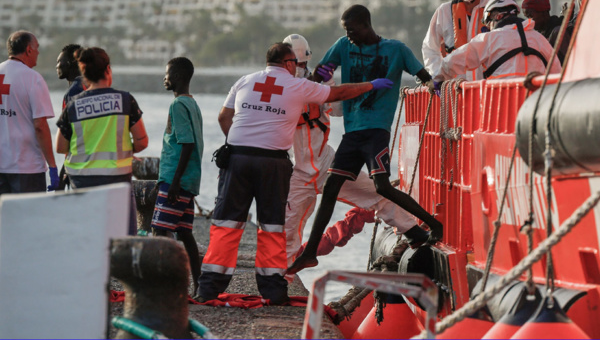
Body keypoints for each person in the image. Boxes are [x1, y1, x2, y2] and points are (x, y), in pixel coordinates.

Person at [195, 42, 393, 305]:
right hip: (272, 164)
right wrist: (371, 85)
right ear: (289, 64)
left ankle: (208, 289)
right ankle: (273, 290)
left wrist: (242, 143)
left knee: (227, 225)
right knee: (273, 227)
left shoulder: (245, 80)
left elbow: (224, 117)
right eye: (297, 64)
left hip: (237, 159)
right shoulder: (296, 85)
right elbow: (337, 94)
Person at [286, 5, 442, 276]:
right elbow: (316, 84)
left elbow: (423, 76)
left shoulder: (396, 49)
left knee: (380, 188)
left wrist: (433, 87)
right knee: (315, 203)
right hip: (333, 148)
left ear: (365, 25)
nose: (348, 36)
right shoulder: (336, 52)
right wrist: (318, 79)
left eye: (351, 29)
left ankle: (427, 227)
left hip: (361, 139)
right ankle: (301, 259)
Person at [55, 47, 149, 234]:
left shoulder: (73, 105)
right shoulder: (125, 100)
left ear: (84, 73)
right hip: (117, 180)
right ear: (108, 70)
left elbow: (60, 147)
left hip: (81, 182)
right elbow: (142, 141)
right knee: (121, 237)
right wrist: (125, 148)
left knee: (86, 237)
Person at [151, 57, 203, 294]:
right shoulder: (193, 104)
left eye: (168, 74)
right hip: (189, 181)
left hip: (176, 180)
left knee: (160, 230)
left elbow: (187, 143)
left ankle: (163, 285)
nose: (165, 78)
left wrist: (174, 183)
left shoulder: (178, 106)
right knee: (184, 233)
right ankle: (199, 284)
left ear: (179, 78)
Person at [433, 0, 562, 82]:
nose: (488, 28)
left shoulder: (490, 39)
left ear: (497, 17)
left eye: (488, 23)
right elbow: (557, 72)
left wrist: (438, 78)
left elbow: (454, 60)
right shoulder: (540, 39)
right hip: (534, 109)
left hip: (498, 111)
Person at [0, 30, 58, 195]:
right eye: (37, 47)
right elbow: (40, 125)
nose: (38, 52)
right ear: (28, 50)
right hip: (26, 167)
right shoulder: (33, 79)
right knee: (28, 219)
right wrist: (52, 166)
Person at [422, 0, 493, 80]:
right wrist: (438, 76)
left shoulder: (493, 11)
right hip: (454, 90)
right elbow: (430, 48)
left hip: (485, 89)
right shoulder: (445, 11)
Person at [56, 43, 87, 190]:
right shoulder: (88, 85)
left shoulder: (73, 92)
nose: (57, 66)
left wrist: (64, 171)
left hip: (78, 166)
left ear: (70, 63)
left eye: (59, 62)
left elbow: (73, 135)